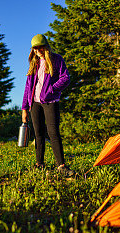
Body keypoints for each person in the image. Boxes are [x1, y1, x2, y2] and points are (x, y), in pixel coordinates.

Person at [21, 34, 75, 177]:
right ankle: (39, 164)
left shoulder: (56, 59)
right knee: (38, 134)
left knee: (53, 133)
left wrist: (51, 89)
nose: (38, 50)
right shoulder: (34, 62)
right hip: (35, 103)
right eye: (35, 48)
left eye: (40, 47)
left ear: (45, 46)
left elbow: (65, 78)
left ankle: (61, 166)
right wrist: (24, 108)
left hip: (50, 101)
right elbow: (28, 87)